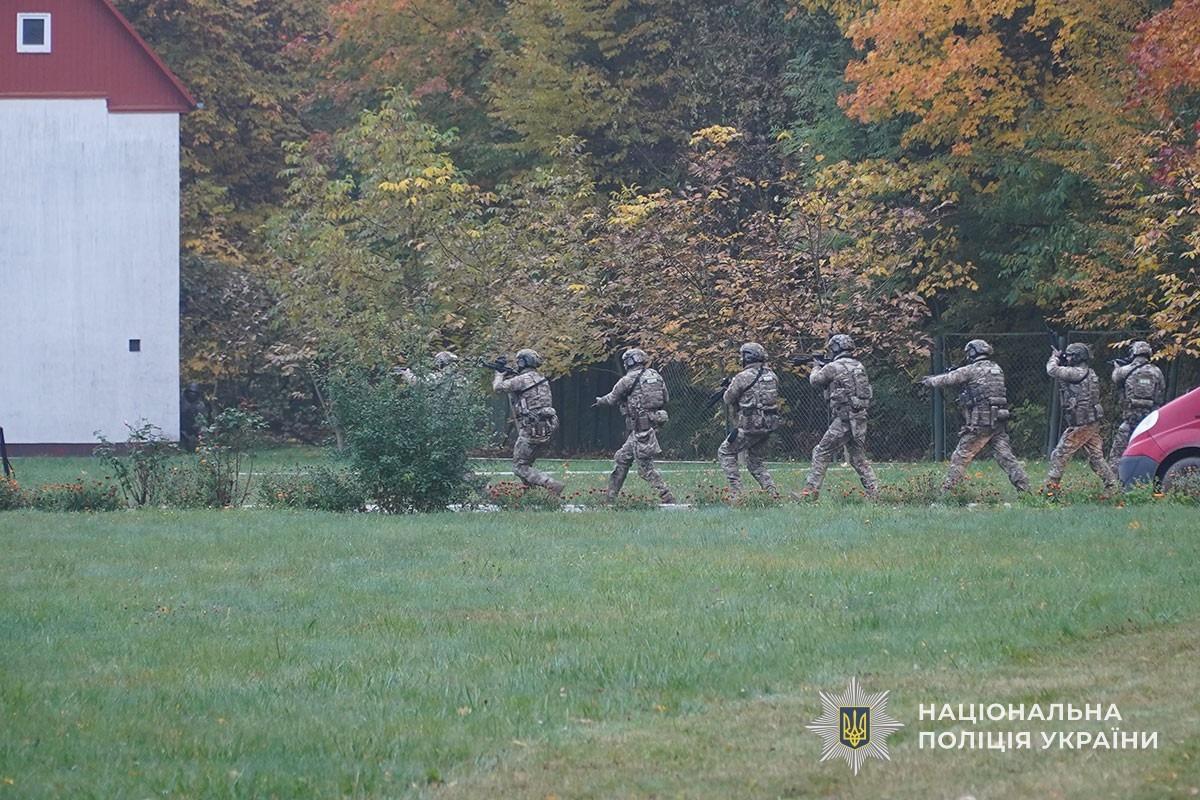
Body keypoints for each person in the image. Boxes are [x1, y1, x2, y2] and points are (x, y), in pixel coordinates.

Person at [920, 339, 1029, 493]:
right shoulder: (996, 369)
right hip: (998, 421)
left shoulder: (972, 370)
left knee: (960, 457)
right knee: (1006, 457)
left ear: (972, 352)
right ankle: (1025, 489)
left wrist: (929, 381)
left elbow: (948, 379)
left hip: (981, 423)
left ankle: (947, 493)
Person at [802, 334, 879, 499]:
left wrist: (816, 366)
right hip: (859, 418)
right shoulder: (858, 365)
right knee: (858, 458)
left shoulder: (833, 367)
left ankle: (810, 493)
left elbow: (815, 381)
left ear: (835, 348)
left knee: (821, 451)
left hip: (844, 420)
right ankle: (876, 493)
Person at [594, 348, 676, 504]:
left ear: (628, 362)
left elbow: (611, 399)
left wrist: (600, 401)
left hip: (641, 428)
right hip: (652, 424)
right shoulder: (655, 376)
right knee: (622, 458)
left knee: (645, 468)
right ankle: (610, 498)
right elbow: (665, 398)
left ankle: (667, 496)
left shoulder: (627, 380)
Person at [1045, 343, 1117, 492]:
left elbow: (1052, 370)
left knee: (1060, 454)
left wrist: (1054, 358)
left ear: (1077, 357)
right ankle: (1112, 486)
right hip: (1090, 421)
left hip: (1082, 423)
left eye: (1070, 355)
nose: (1068, 358)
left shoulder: (1076, 372)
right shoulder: (1089, 372)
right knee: (1096, 457)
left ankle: (1051, 490)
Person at [492, 348, 565, 496]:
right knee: (526, 465)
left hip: (530, 429)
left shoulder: (522, 380)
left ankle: (551, 484)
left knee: (519, 467)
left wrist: (499, 374)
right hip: (546, 428)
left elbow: (498, 388)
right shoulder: (541, 378)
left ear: (522, 362)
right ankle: (530, 496)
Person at [717, 342, 781, 497]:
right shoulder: (772, 376)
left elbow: (728, 398)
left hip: (750, 426)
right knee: (755, 461)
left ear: (746, 357)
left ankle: (737, 492)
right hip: (769, 425)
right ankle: (772, 492)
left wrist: (729, 387)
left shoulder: (742, 377)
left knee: (725, 452)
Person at [1109, 340, 1165, 469]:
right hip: (1150, 419)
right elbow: (1160, 392)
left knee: (1118, 451)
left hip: (1130, 418)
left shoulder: (1125, 370)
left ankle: (1114, 476)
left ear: (1133, 352)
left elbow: (1115, 378)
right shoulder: (1157, 371)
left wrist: (1117, 367)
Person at [179, 382, 208, 452]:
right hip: (181, 427)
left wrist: (196, 426)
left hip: (193, 429)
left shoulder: (200, 405)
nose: (192, 394)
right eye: (190, 392)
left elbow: (202, 419)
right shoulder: (180, 401)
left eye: (194, 392)